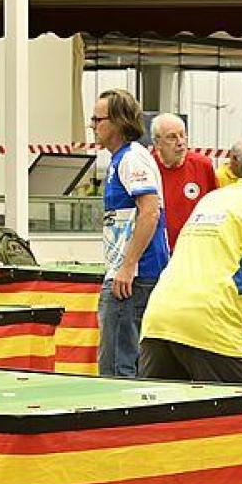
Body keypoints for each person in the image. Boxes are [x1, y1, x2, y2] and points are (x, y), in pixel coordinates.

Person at [139, 142, 242, 384]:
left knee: (163, 420)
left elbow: (227, 273)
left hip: (159, 319)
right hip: (210, 325)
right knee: (236, 418)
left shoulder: (212, 199)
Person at [91, 88, 169, 378]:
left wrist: (127, 265)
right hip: (131, 272)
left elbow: (150, 212)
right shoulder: (121, 158)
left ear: (118, 122)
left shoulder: (132, 159)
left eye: (98, 120)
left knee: (116, 367)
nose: (93, 126)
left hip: (134, 276)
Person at [150, 113, 219, 250]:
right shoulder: (148, 167)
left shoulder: (203, 165)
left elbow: (215, 208)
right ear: (157, 143)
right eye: (172, 137)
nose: (180, 142)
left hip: (194, 252)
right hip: (159, 252)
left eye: (182, 135)